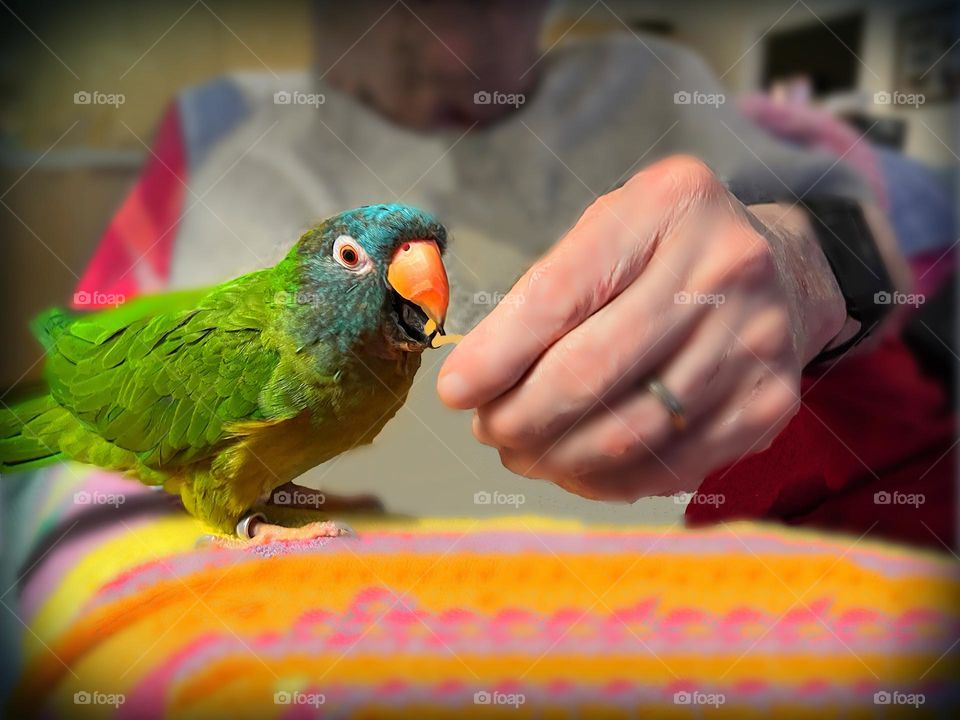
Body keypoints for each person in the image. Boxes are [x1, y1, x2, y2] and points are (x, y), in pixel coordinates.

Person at [70, 0, 952, 543]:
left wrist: (811, 261)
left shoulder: (656, 81)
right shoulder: (227, 143)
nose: (453, 48)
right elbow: (94, 439)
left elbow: (916, 213)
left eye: (493, 4)